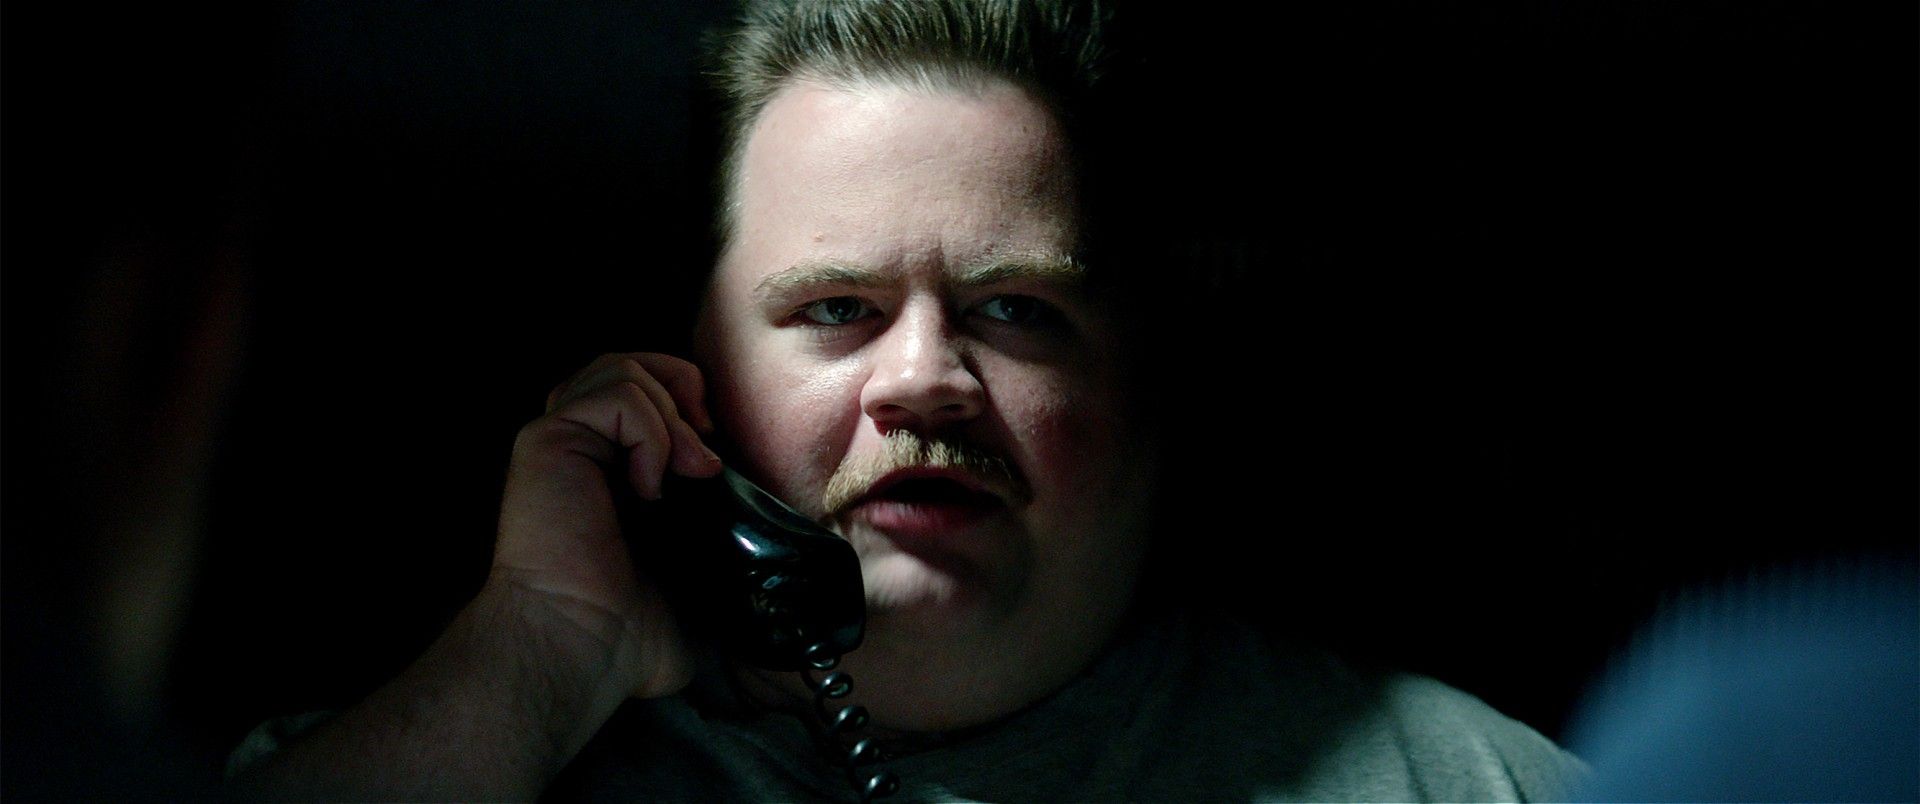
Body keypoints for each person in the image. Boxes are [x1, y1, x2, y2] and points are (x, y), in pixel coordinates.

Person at [230, 1, 1587, 799]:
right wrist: (538, 644)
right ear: (684, 382)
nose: (925, 377)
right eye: (836, 309)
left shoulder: (1475, 783)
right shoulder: (474, 746)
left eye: (1016, 310)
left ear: (1145, 379)